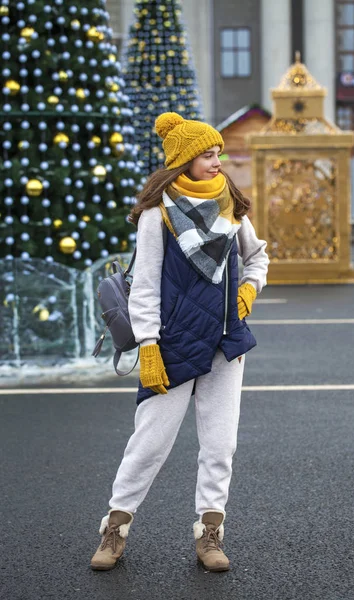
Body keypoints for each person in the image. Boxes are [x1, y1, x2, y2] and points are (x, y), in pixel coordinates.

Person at [91, 112, 269, 572]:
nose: (217, 162)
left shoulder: (230, 203)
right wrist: (148, 346)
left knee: (219, 444)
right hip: (170, 345)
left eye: (217, 153)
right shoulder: (157, 214)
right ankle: (115, 528)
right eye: (207, 155)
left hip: (225, 341)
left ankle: (209, 534)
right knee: (149, 443)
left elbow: (258, 257)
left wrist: (249, 289)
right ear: (184, 161)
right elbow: (146, 286)